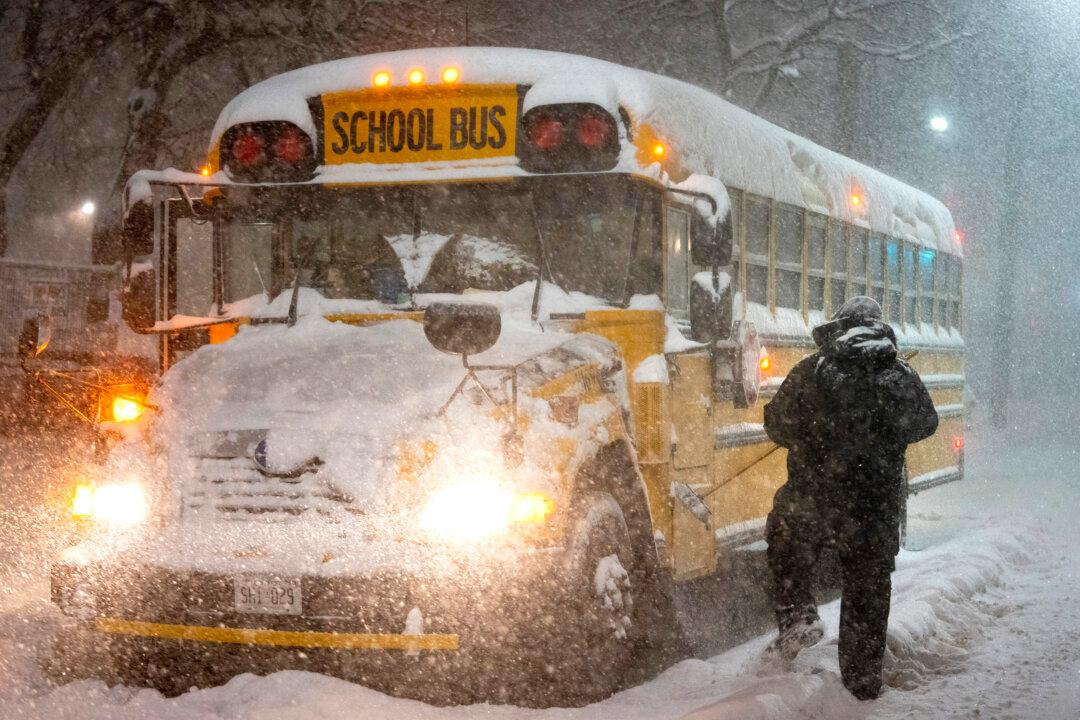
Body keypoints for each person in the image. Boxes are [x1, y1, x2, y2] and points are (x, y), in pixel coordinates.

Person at [762, 296, 938, 700]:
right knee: (867, 590)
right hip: (873, 511)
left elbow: (776, 422)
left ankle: (798, 615)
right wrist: (882, 431)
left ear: (838, 325)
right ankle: (860, 684)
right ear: (879, 327)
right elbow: (926, 422)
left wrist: (815, 432)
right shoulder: (899, 375)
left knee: (786, 537)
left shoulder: (813, 370)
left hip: (812, 501)